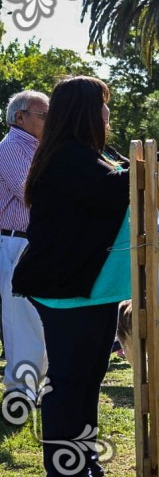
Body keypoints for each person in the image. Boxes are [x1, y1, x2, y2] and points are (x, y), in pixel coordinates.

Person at [11, 76, 159, 477]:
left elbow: (127, 169)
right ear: (84, 112)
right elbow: (118, 184)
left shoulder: (90, 154)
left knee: (87, 380)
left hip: (94, 291)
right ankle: (65, 470)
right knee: (69, 383)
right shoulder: (67, 157)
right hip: (67, 292)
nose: (107, 113)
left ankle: (83, 463)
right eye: (102, 104)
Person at [0, 90, 49, 408]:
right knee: (22, 319)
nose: (51, 121)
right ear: (21, 118)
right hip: (16, 241)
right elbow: (31, 193)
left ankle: (32, 385)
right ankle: (20, 389)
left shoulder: (34, 148)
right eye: (45, 116)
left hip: (28, 241)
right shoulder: (14, 147)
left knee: (36, 317)